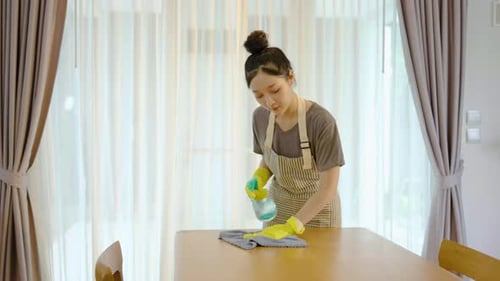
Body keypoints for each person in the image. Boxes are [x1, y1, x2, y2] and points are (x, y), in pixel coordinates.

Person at [242, 30, 345, 240]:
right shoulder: (260, 118)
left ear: (290, 76)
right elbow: (268, 161)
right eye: (259, 95)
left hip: (318, 216)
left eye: (274, 90)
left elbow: (328, 187)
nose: (269, 102)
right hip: (277, 214)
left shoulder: (321, 122)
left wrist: (293, 225)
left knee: (316, 272)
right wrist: (258, 178)